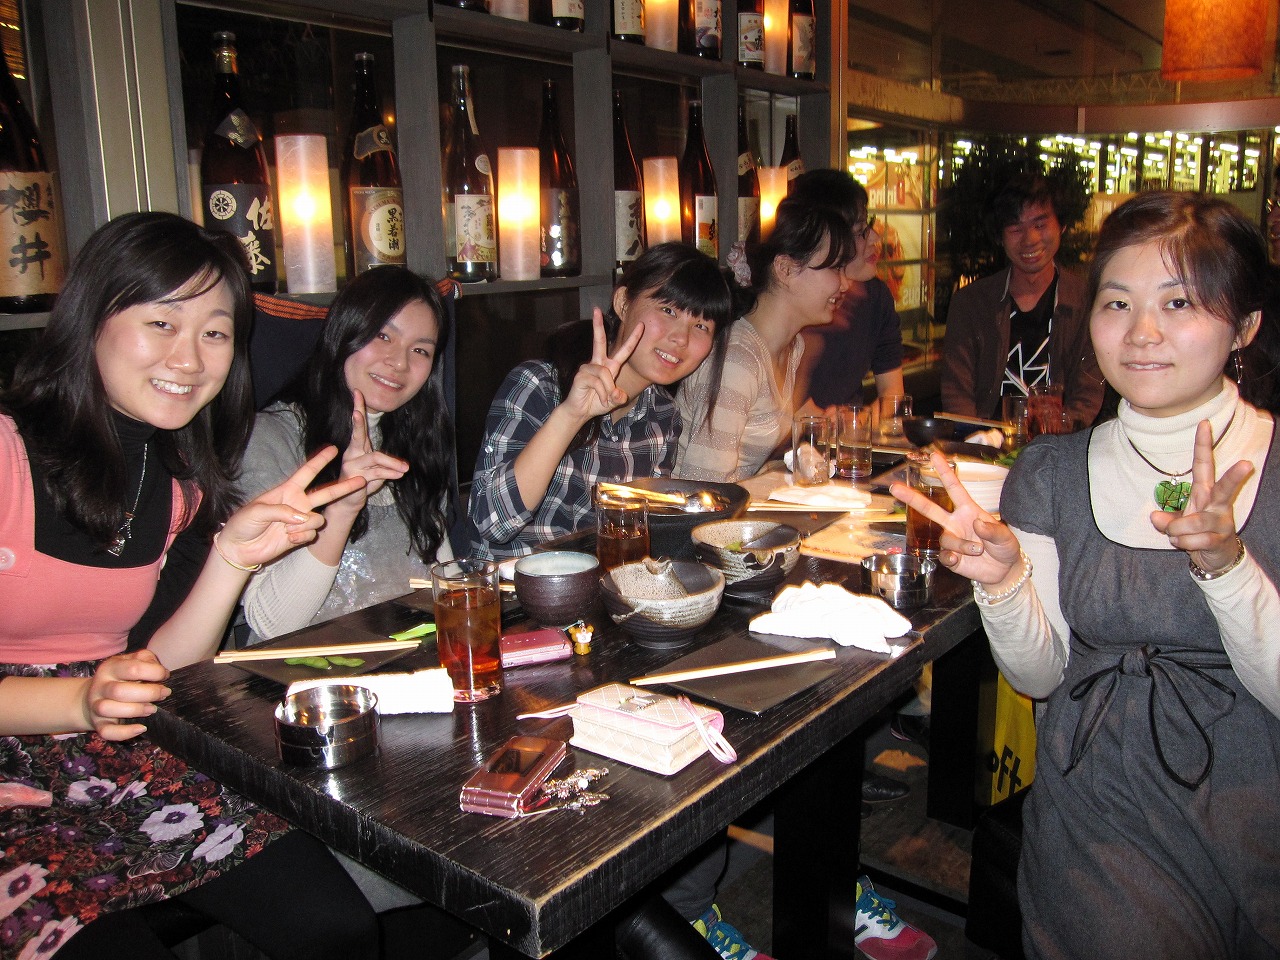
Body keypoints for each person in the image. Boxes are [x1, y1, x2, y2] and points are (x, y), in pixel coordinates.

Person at [893, 192, 1280, 958]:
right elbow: (1040, 676)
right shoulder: (1052, 472)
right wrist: (1004, 582)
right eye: (1118, 302)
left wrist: (1228, 568)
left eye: (1178, 302)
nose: (1142, 332)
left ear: (1244, 326)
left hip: (1254, 804)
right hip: (1100, 810)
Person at [0, 212, 379, 959]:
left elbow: (160, 667)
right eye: (162, 322)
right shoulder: (7, 453)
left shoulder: (177, 486)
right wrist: (78, 701)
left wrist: (231, 560)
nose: (190, 357)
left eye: (215, 332)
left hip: (113, 751)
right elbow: (98, 693)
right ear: (92, 318)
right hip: (16, 780)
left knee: (335, 927)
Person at [466, 242, 735, 561]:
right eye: (668, 310)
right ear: (623, 303)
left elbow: (641, 536)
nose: (682, 338)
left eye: (701, 326)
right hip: (517, 586)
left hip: (600, 585)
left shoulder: (662, 416)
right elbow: (491, 523)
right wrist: (571, 416)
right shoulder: (539, 386)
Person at [240, 266, 454, 641]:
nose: (400, 362)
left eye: (420, 350)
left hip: (414, 662)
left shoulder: (412, 439)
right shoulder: (271, 438)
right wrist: (343, 508)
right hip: (307, 671)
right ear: (344, 332)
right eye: (383, 335)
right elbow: (270, 623)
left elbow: (446, 580)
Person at [673, 197, 853, 482]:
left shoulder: (792, 347)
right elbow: (703, 485)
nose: (845, 284)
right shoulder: (739, 359)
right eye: (835, 267)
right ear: (785, 269)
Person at [940, 172, 1103, 427]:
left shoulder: (1087, 302)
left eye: (1040, 225)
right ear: (1000, 237)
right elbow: (956, 392)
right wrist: (977, 438)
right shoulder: (971, 304)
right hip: (985, 443)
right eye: (1015, 228)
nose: (1030, 240)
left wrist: (1054, 436)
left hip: (1060, 444)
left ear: (1061, 226)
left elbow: (1088, 394)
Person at [789, 169, 905, 415]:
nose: (875, 238)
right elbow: (781, 408)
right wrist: (834, 425)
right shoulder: (790, 302)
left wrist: (858, 424)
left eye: (869, 225)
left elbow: (892, 393)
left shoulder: (875, 297)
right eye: (861, 231)